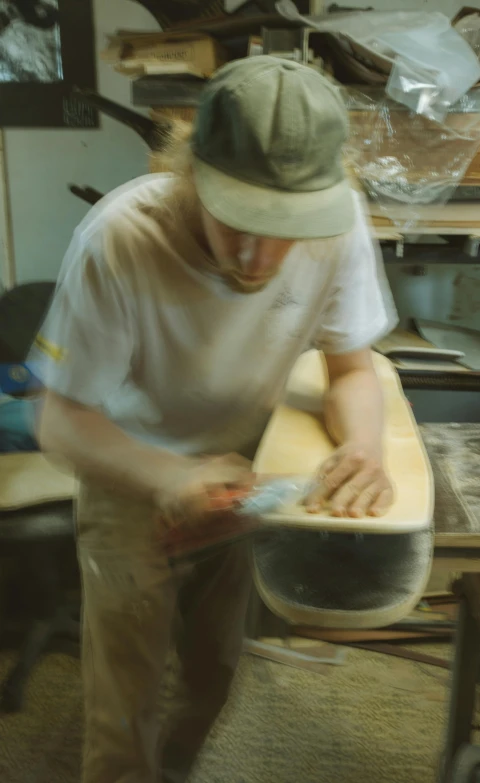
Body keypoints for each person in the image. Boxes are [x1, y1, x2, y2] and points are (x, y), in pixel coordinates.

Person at [34, 56, 397, 783]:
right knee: (124, 702)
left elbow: (352, 368)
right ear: (189, 172)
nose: (259, 256)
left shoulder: (339, 221)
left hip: (240, 472)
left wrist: (364, 442)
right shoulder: (118, 240)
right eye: (241, 220)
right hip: (128, 466)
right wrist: (171, 475)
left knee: (210, 675)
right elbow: (61, 419)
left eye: (284, 227)